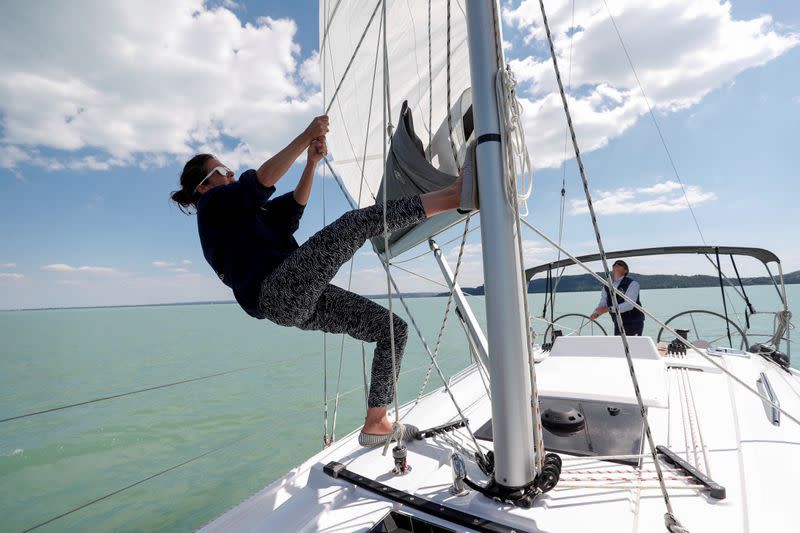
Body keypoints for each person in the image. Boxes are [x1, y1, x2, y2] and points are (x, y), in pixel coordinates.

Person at [170, 115, 468, 446]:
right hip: (278, 289)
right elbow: (259, 183)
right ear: (203, 186)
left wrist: (311, 163)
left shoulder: (251, 216)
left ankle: (377, 421)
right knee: (357, 222)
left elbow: (293, 209)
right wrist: (304, 136)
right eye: (221, 172)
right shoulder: (211, 205)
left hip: (294, 303)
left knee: (392, 330)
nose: (230, 173)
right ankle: (456, 196)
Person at [589, 259, 645, 336]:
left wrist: (608, 309)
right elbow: (603, 302)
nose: (616, 265)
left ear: (625, 271)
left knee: (632, 346)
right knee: (619, 346)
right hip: (618, 322)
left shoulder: (632, 284)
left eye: (620, 264)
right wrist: (596, 313)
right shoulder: (607, 286)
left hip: (633, 322)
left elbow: (629, 305)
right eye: (614, 264)